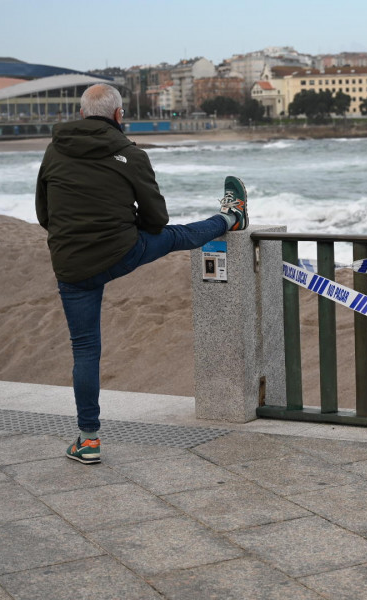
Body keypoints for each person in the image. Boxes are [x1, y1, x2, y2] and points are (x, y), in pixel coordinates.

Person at [35, 83, 248, 464]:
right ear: (119, 116)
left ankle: (88, 440)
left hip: (70, 264)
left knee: (85, 351)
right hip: (121, 252)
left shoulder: (54, 149)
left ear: (82, 114)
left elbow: (44, 215)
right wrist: (124, 224)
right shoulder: (130, 153)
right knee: (177, 235)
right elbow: (156, 220)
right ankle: (232, 217)